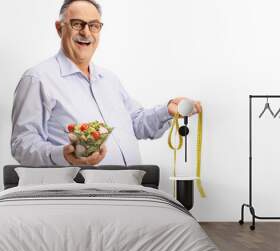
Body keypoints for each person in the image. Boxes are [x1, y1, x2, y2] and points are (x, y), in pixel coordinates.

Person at [11, 0, 202, 166]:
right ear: (60, 28)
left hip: (131, 189)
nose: (86, 33)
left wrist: (167, 110)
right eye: (78, 24)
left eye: (94, 25)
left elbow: (136, 124)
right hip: (79, 195)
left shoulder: (109, 80)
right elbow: (23, 144)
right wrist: (64, 155)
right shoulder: (38, 79)